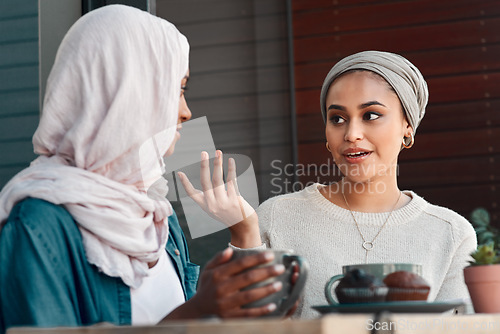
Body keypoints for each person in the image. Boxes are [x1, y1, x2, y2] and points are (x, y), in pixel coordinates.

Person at [0, 5, 286, 332]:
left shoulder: (156, 220)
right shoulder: (37, 226)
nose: (186, 111)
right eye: (176, 90)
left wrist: (245, 231)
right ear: (128, 94)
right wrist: (198, 310)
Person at [188, 50, 477, 319]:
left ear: (407, 127)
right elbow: (244, 325)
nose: (351, 134)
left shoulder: (450, 233)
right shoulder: (278, 216)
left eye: (371, 115)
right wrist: (244, 233)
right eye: (337, 118)